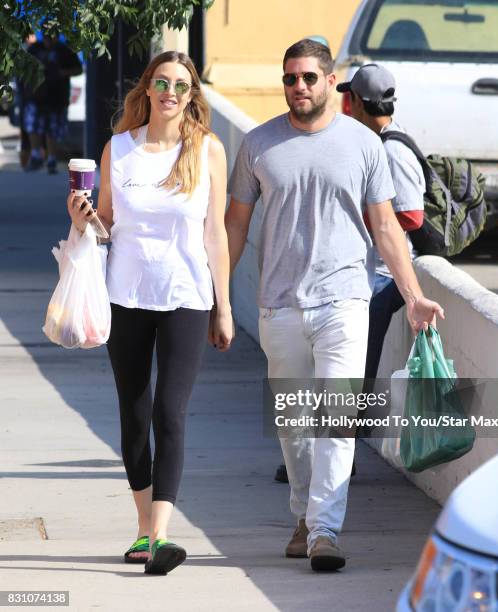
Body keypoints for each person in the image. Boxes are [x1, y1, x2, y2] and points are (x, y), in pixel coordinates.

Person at [225, 39, 443, 572]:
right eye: (289, 78)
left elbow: (386, 226)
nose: (298, 87)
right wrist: (217, 300)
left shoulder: (365, 146)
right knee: (295, 425)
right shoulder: (258, 144)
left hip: (346, 301)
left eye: (307, 78)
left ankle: (325, 530)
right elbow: (235, 224)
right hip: (278, 306)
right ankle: (305, 514)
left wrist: (413, 295)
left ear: (330, 82)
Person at [66, 50, 233, 575]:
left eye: (181, 85)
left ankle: (160, 536)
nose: (170, 92)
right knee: (135, 417)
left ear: (192, 95)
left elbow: (216, 235)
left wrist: (223, 307)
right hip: (127, 296)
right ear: (147, 88)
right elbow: (108, 226)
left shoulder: (207, 150)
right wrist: (83, 218)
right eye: (162, 82)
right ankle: (142, 529)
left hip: (186, 296)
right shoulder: (119, 149)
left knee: (170, 413)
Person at [337, 64, 425, 380]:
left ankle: (357, 429)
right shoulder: (377, 142)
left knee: (360, 365)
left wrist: (360, 218)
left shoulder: (391, 150)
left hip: (384, 278)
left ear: (358, 102)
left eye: (350, 100)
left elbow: (412, 215)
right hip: (374, 272)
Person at [24, 34, 82, 173]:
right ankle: (36, 156)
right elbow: (23, 68)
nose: (49, 40)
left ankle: (51, 159)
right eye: (46, 37)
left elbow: (78, 69)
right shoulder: (35, 49)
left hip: (57, 97)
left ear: (56, 37)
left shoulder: (63, 50)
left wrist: (62, 73)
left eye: (51, 37)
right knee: (34, 127)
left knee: (53, 130)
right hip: (36, 95)